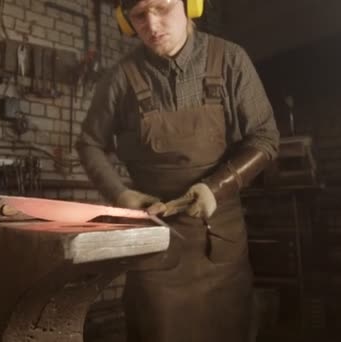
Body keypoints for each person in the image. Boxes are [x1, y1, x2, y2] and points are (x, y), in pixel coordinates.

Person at [76, 0, 280, 341]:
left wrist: (217, 187)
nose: (152, 26)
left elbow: (266, 138)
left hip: (221, 246)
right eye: (139, 16)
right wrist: (122, 194)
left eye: (162, 8)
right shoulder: (120, 79)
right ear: (125, 22)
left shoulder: (230, 60)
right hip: (156, 246)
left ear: (191, 5)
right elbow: (89, 144)